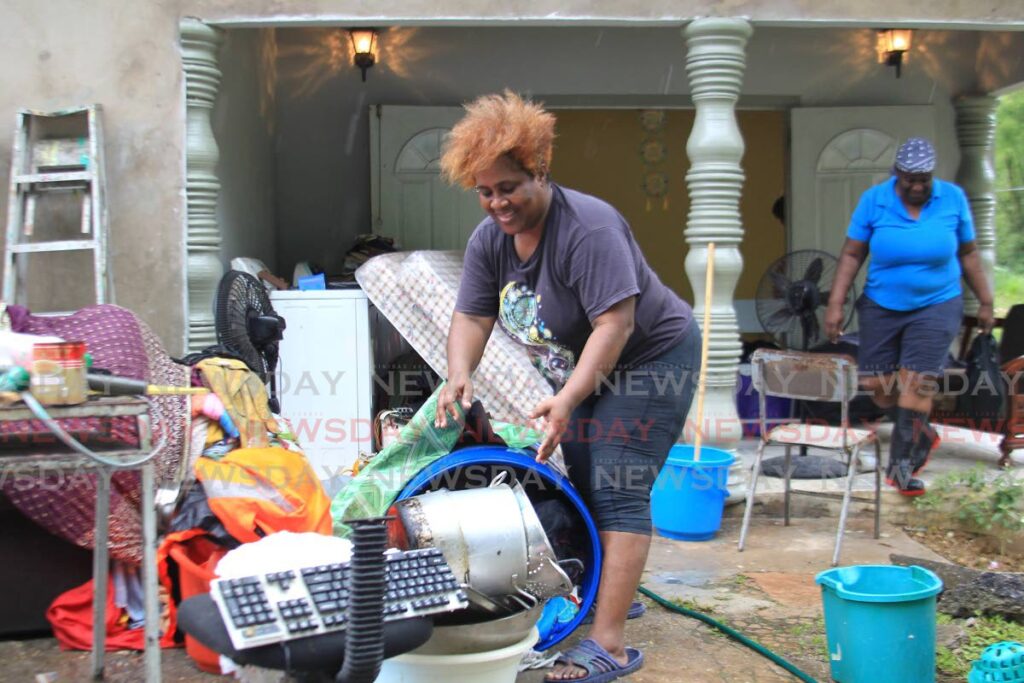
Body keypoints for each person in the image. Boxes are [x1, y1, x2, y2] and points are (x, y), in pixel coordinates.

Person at [434, 91, 700, 682]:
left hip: (653, 357)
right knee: (577, 471)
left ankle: (609, 643)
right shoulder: (489, 241)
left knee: (617, 476)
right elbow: (473, 316)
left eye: (510, 186)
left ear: (540, 170)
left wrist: (570, 398)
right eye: (485, 190)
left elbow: (617, 324)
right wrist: (459, 372)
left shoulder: (590, 229)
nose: (497, 202)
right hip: (589, 366)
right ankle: (612, 588)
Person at [825, 137, 994, 496]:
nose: (917, 186)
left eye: (924, 180)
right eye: (909, 180)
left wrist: (986, 301)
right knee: (879, 387)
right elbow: (852, 255)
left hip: (938, 303)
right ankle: (923, 432)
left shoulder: (952, 199)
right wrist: (836, 304)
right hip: (881, 305)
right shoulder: (875, 200)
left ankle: (902, 467)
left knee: (916, 383)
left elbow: (969, 254)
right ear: (896, 175)